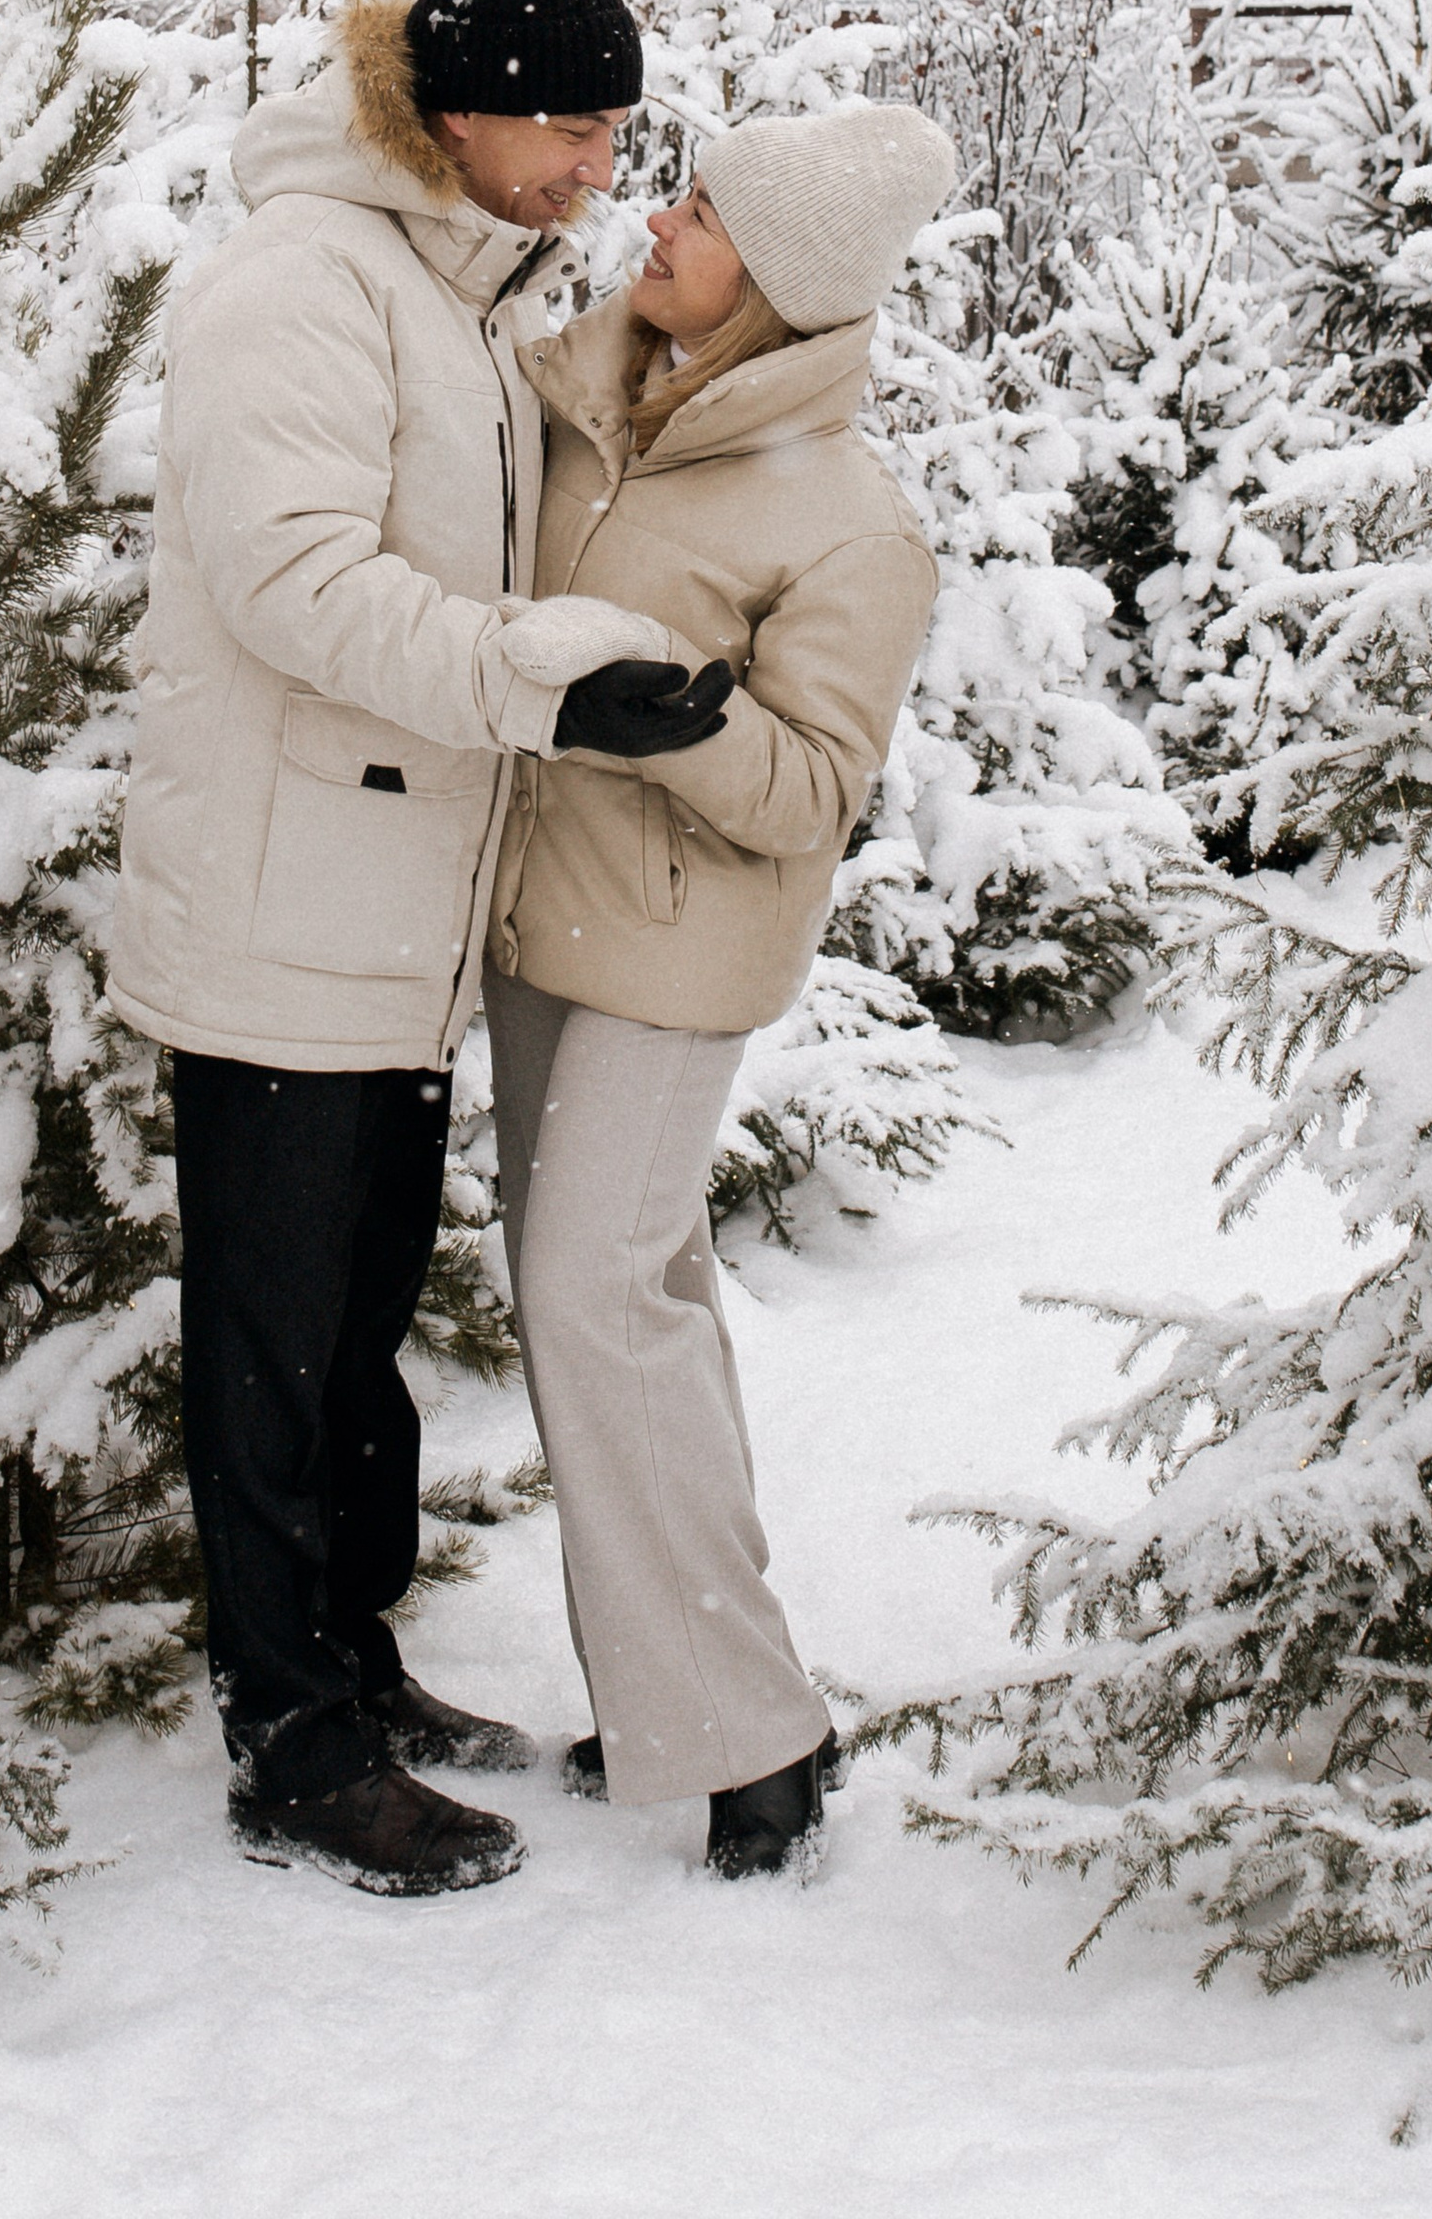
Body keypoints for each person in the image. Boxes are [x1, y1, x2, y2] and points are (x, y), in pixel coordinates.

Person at [104, 0, 732, 1898]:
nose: (598, 172)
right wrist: (544, 683)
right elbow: (294, 582)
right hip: (280, 909)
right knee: (276, 1345)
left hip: (387, 918)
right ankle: (290, 1748)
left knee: (358, 1332)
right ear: (455, 113)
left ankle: (352, 1671)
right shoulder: (301, 280)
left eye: (617, 134)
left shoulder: (455, 290)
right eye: (571, 130)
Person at [485, 100, 956, 1881]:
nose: (658, 222)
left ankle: (753, 1737)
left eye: (703, 211)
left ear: (783, 282)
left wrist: (678, 721)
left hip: (676, 955)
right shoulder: (585, 401)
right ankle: (675, 1683)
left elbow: (813, 795)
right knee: (626, 1299)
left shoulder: (847, 522)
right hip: (539, 922)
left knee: (595, 1298)